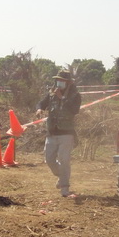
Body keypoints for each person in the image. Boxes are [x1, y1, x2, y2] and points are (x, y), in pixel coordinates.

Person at [36, 70, 81, 198]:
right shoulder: (52, 93)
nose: (59, 83)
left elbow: (74, 110)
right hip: (52, 132)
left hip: (66, 133)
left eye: (62, 81)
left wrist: (62, 98)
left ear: (68, 82)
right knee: (49, 159)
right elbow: (41, 103)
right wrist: (39, 109)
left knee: (64, 160)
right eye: (58, 80)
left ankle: (65, 188)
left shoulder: (75, 95)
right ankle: (62, 176)